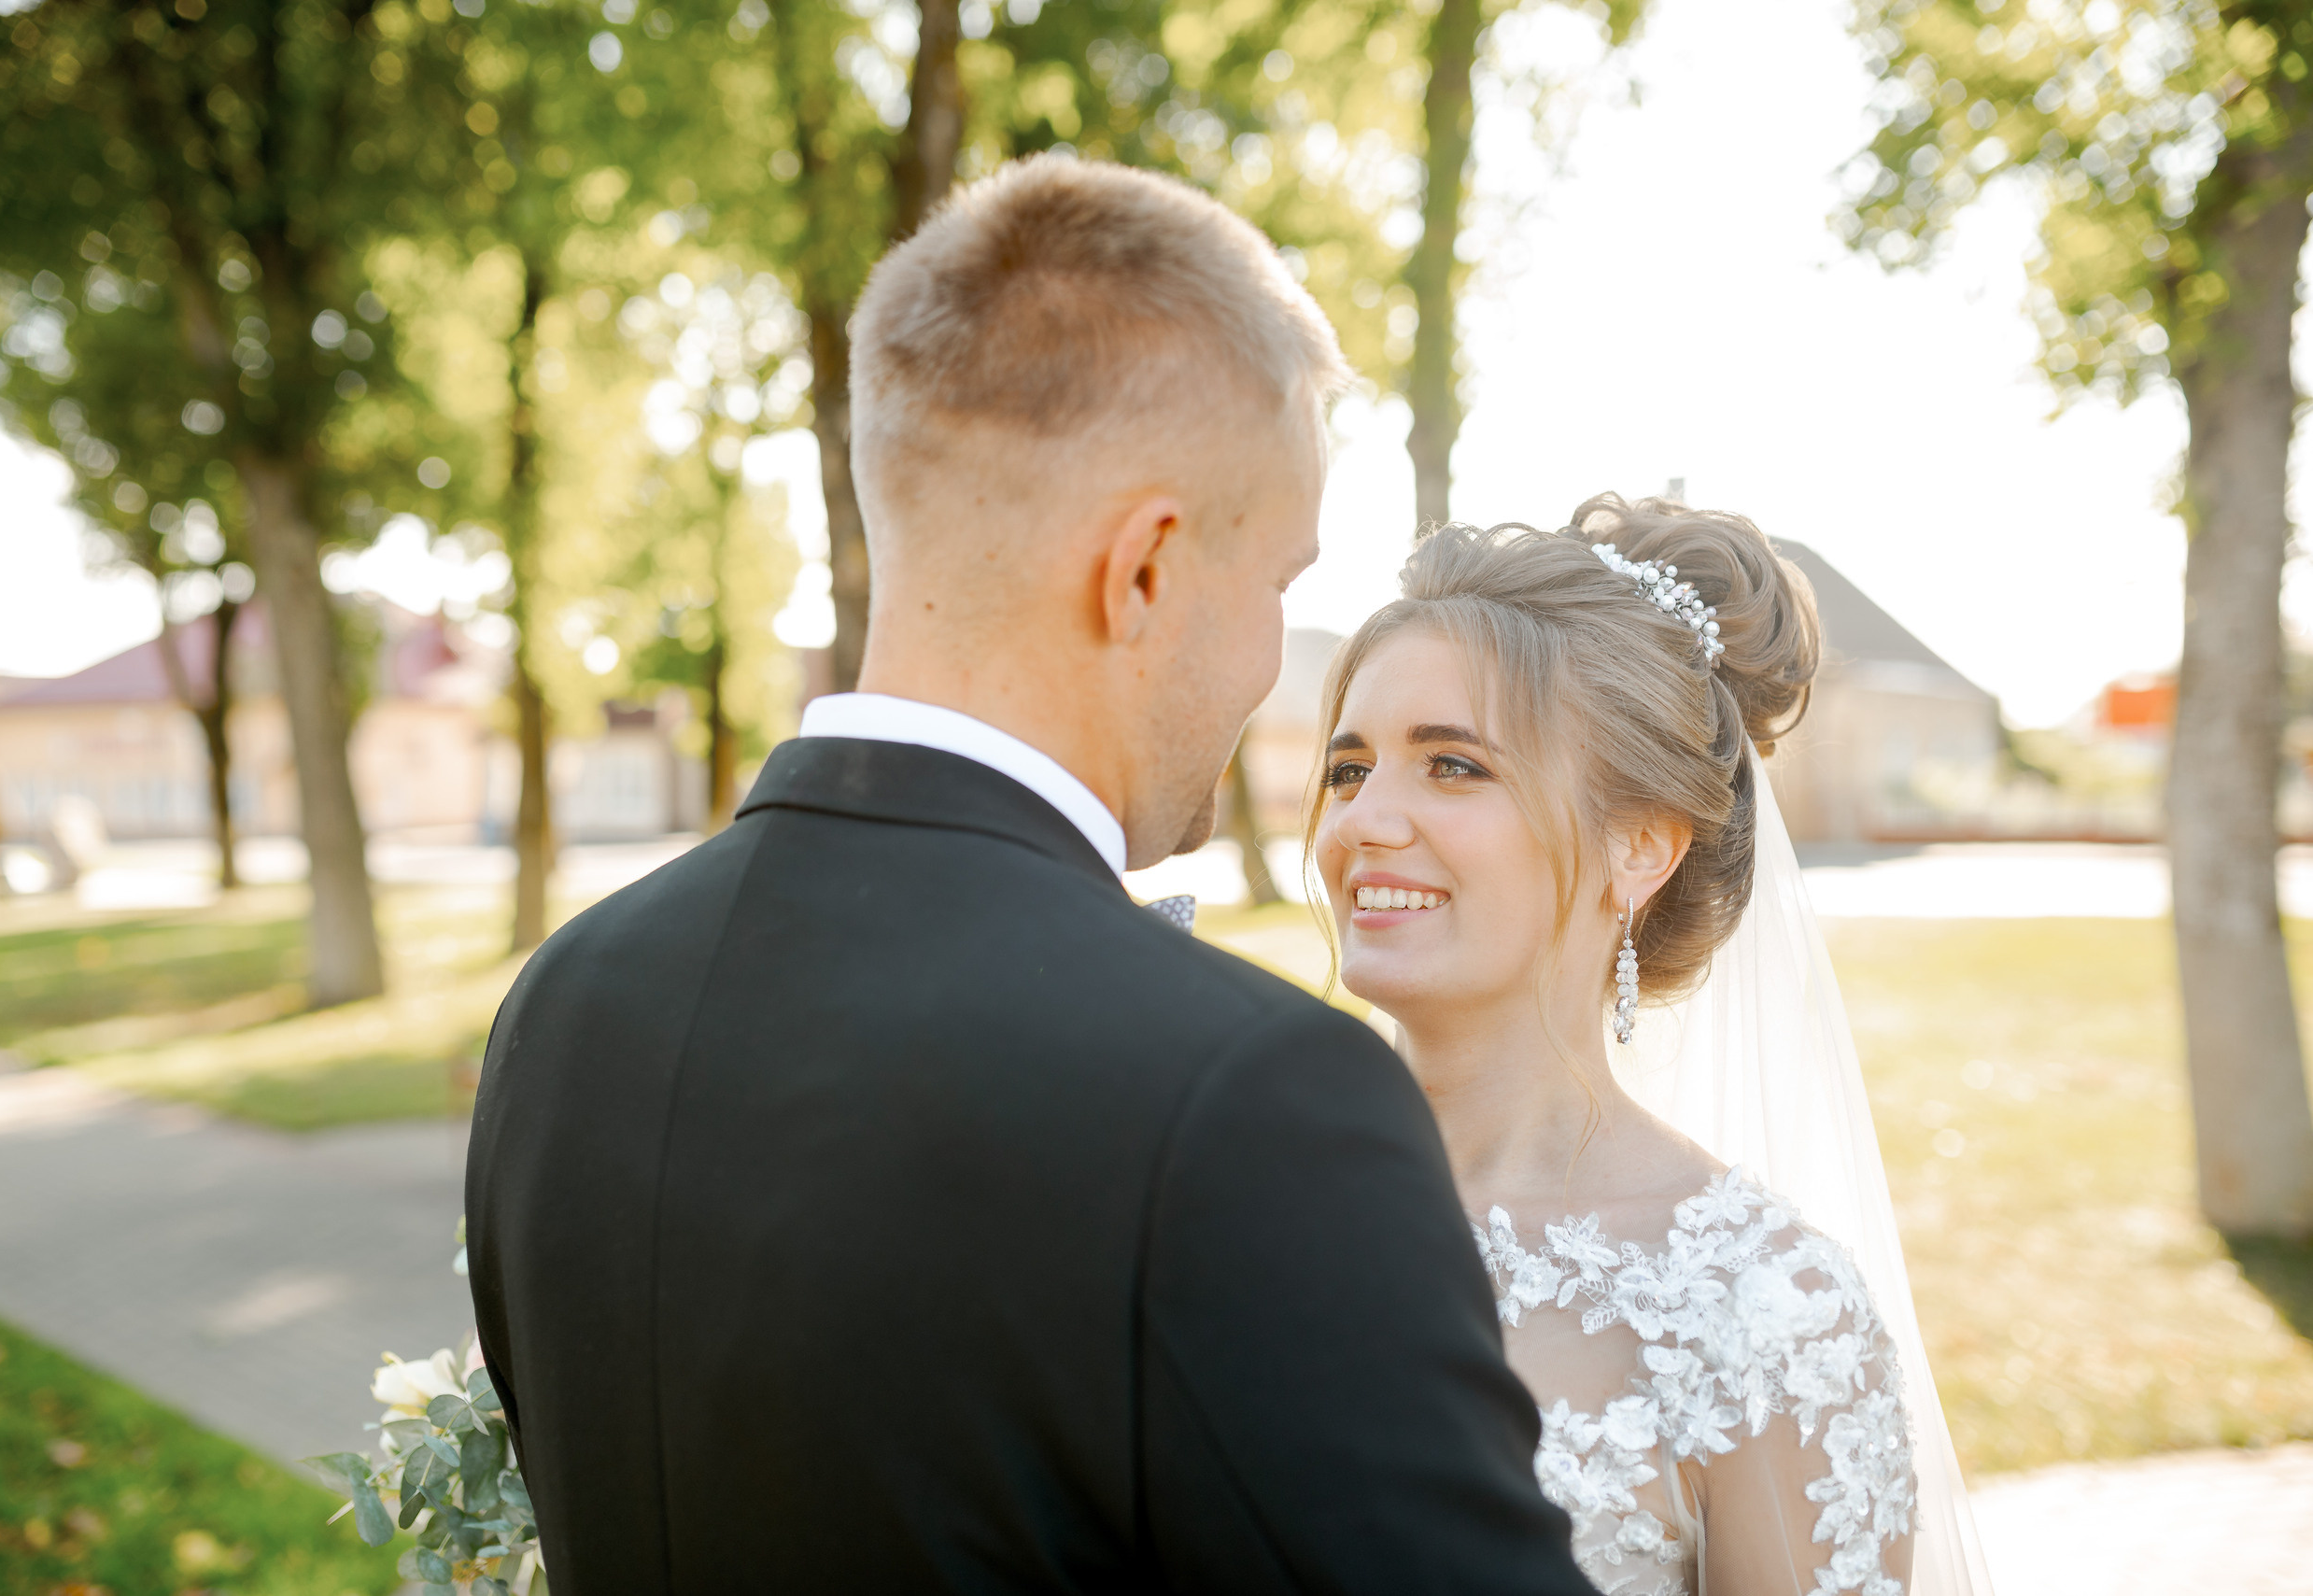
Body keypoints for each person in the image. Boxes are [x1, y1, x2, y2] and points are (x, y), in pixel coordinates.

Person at [465, 156, 1595, 1593]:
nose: (1271, 661)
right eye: (1281, 585)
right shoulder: (1253, 1103)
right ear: (1147, 570)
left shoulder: (568, 1003)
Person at [1309, 499, 1993, 1596]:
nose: (1361, 821)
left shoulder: (1757, 1306)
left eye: (1453, 766)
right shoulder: (1222, 1193)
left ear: (1638, 846)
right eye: (1348, 769)